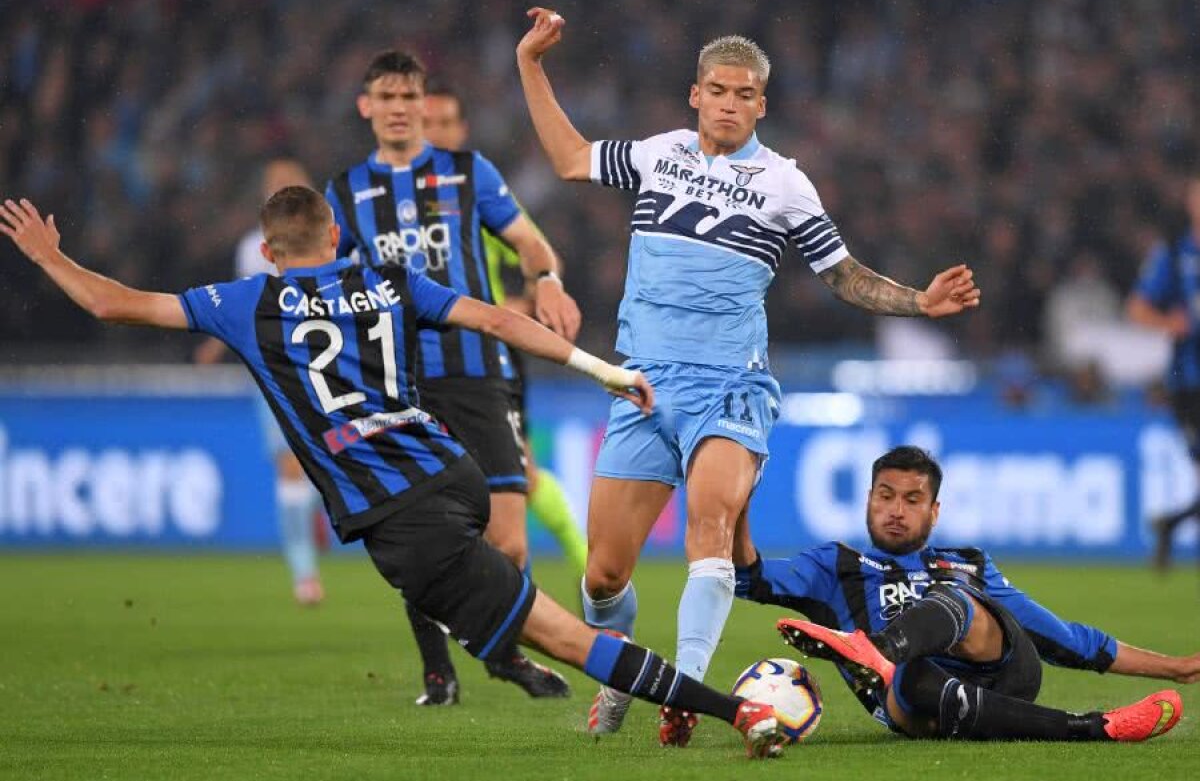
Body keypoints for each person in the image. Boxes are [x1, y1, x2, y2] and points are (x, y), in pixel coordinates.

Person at [0, 191, 789, 759]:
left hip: (401, 514)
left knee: (564, 637)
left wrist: (47, 255)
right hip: (453, 468)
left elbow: (115, 305)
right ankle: (487, 643)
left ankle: (737, 710)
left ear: (268, 252)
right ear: (336, 234)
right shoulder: (386, 279)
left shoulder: (246, 302)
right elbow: (496, 318)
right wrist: (600, 368)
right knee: (508, 607)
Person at [515, 8, 981, 745]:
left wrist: (918, 301)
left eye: (744, 95)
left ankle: (688, 691)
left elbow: (843, 274)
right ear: (695, 94)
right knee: (602, 576)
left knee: (709, 529)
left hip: (729, 386)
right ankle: (621, 675)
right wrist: (531, 64)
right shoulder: (657, 153)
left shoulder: (785, 183)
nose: (729, 104)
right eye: (717, 91)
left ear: (762, 104)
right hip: (643, 385)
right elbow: (572, 158)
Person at [325, 50, 582, 704]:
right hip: (399, 385)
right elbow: (322, 281)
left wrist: (547, 279)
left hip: (477, 373)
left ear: (422, 103)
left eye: (408, 96)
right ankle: (440, 671)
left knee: (510, 542)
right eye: (386, 97)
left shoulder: (470, 174)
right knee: (424, 538)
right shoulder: (345, 193)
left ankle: (498, 649)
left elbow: (530, 243)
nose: (399, 108)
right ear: (366, 106)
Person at [733, 445, 1194, 742]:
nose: (896, 511)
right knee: (909, 675)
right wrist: (738, 503)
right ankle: (1096, 728)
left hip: (1004, 673)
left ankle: (875, 651)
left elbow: (1066, 640)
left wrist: (1177, 668)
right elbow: (749, 577)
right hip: (917, 700)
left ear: (934, 512)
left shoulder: (966, 563)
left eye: (912, 500)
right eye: (885, 496)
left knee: (953, 597)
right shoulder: (835, 565)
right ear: (869, 499)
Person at [422, 82, 588, 577]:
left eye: (445, 123)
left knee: (520, 480)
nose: (436, 134)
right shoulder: (387, 201)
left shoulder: (474, 195)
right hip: (419, 362)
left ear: (462, 130)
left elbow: (536, 256)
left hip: (486, 354)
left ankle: (587, 570)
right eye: (427, 124)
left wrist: (520, 303)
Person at [194, 157, 327, 606]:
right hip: (272, 369)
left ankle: (317, 506)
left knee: (320, 462)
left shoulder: (332, 239)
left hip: (322, 366)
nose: (281, 190)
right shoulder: (253, 247)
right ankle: (304, 573)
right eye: (273, 185)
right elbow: (242, 304)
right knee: (289, 465)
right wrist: (215, 344)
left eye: (289, 183)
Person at [1127, 177, 1200, 572]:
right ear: (1190, 203)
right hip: (1191, 383)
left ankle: (1171, 524)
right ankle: (1171, 524)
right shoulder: (1174, 255)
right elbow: (1137, 307)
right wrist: (1170, 322)